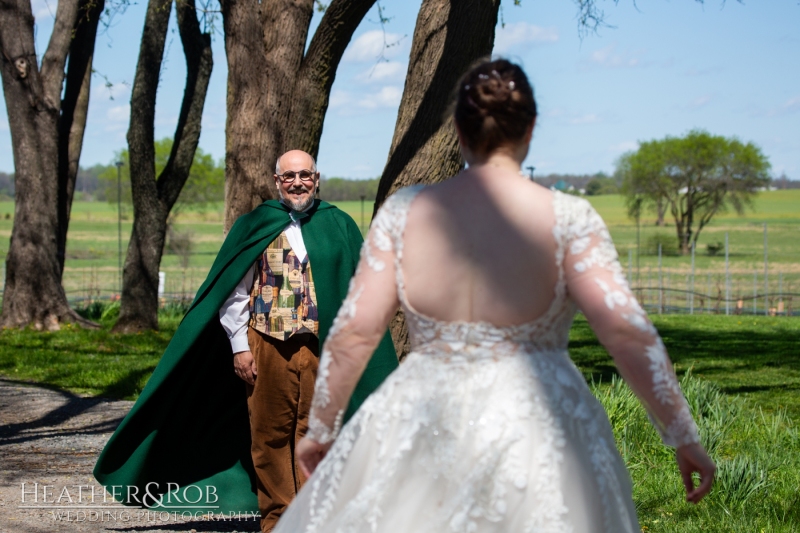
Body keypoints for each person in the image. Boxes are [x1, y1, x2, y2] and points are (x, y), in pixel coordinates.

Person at [273, 60, 715, 533]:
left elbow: (356, 329)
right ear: (531, 128)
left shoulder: (405, 212)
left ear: (459, 132)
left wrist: (321, 429)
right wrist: (682, 434)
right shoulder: (569, 217)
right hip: (541, 423)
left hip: (423, 416)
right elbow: (626, 332)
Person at [93, 150, 398, 532]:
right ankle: (278, 521)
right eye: (289, 176)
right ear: (277, 181)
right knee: (270, 435)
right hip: (267, 345)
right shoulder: (257, 224)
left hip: (322, 348)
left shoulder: (338, 224)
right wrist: (239, 346)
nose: (297, 182)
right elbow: (234, 293)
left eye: (305, 175)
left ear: (316, 179)